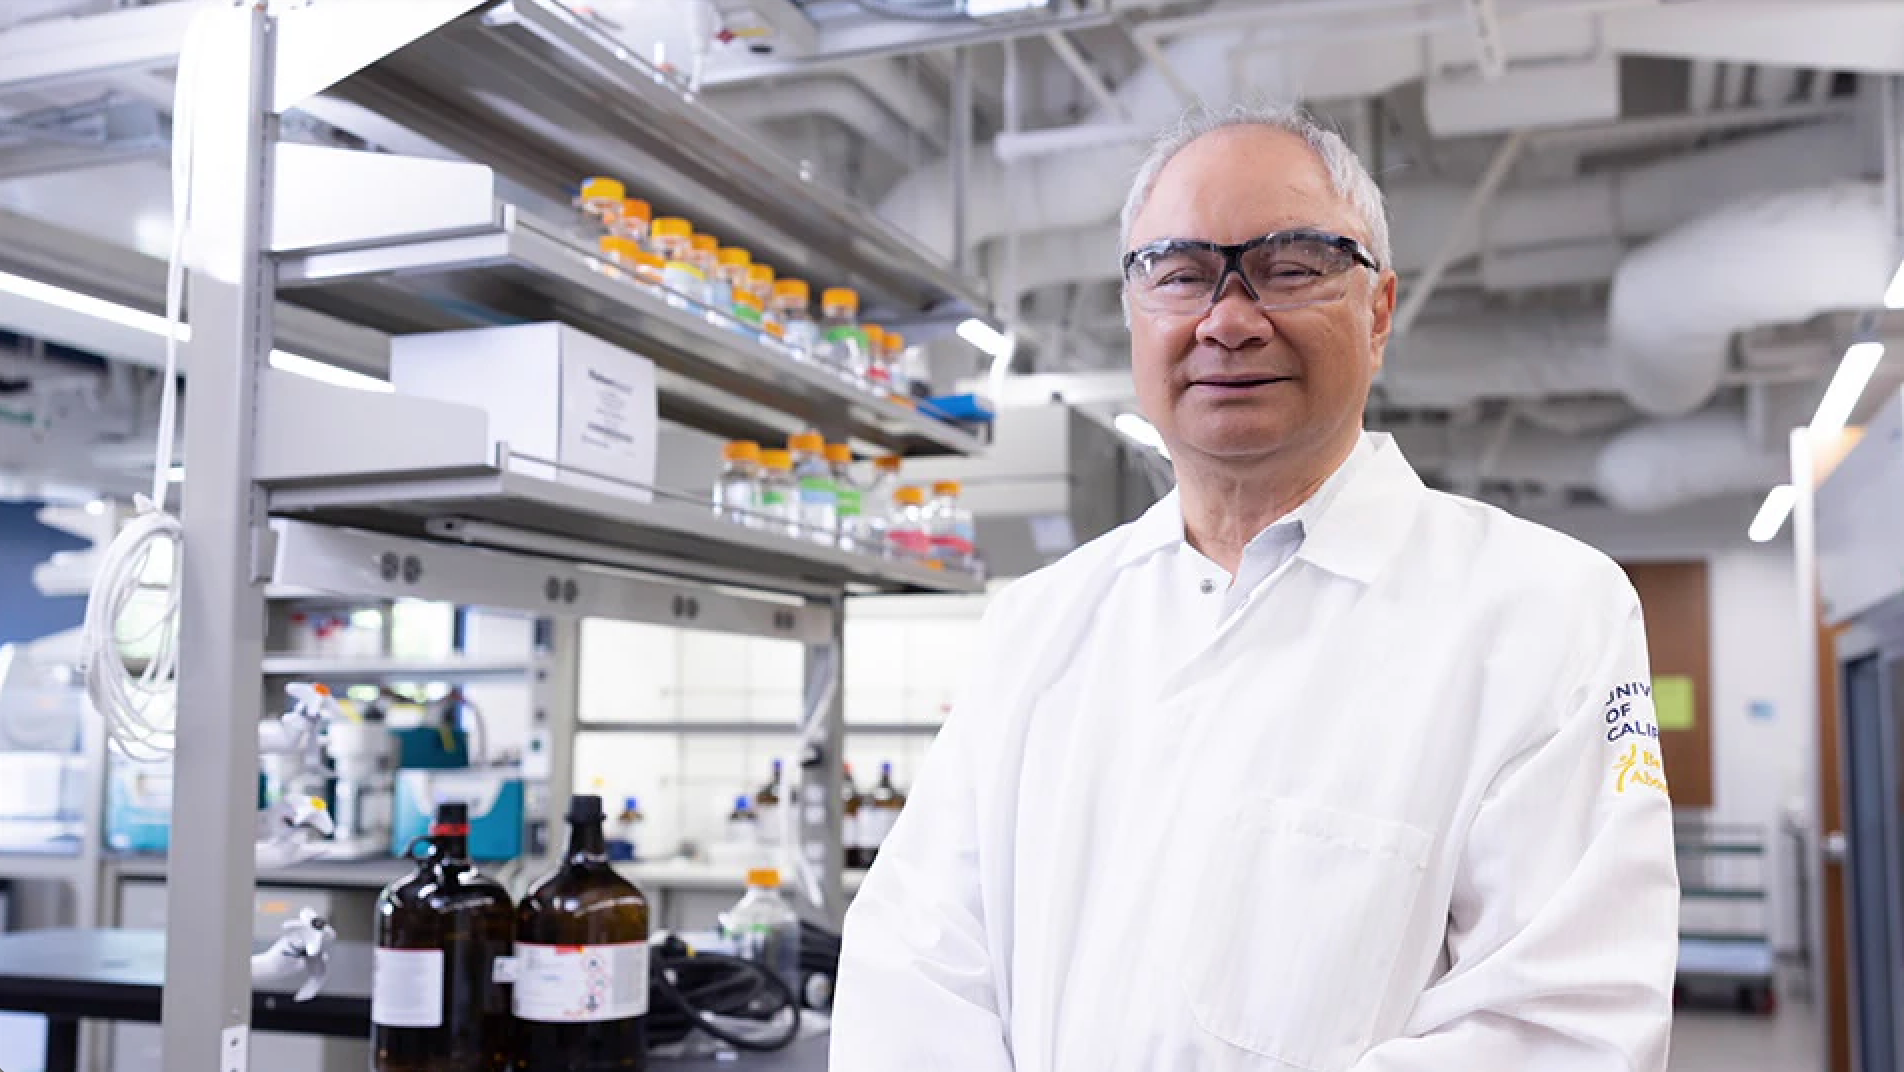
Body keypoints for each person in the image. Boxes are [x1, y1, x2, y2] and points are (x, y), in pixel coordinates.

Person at [831, 103, 1678, 1072]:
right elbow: (914, 967)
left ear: (1378, 312)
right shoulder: (1038, 621)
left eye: (1292, 266)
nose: (1228, 320)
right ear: (1134, 311)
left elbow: (1562, 1032)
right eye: (1179, 273)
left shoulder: (1547, 614)